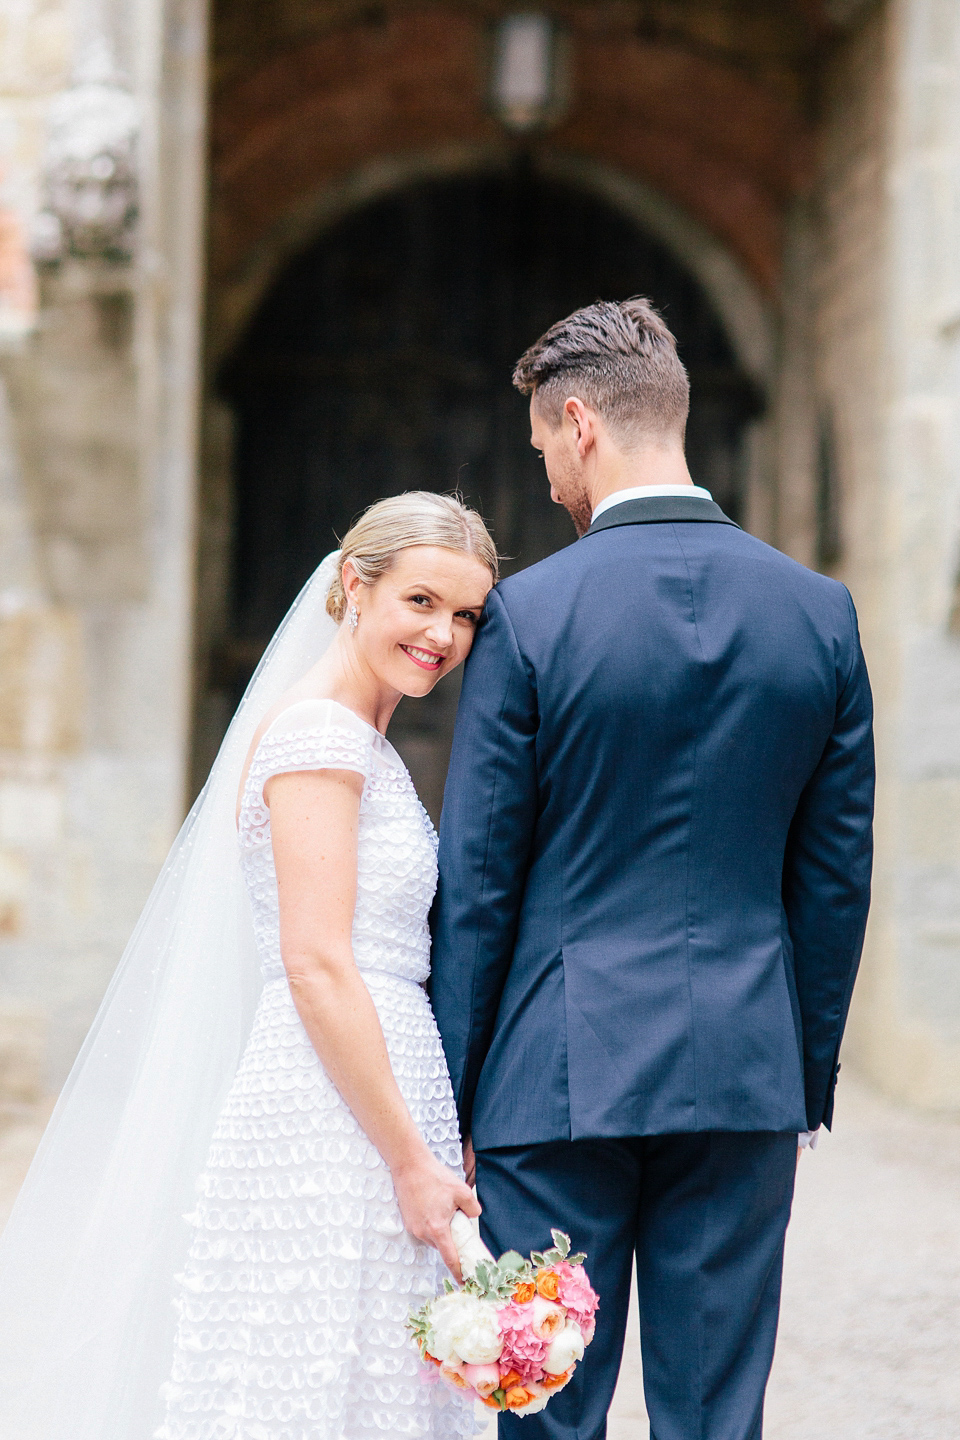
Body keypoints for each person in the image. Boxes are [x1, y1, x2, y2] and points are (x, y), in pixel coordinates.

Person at [430, 298, 875, 1440]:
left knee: (549, 1413)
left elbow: (481, 879)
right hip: (742, 1072)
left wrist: (454, 1092)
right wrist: (802, 1072)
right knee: (717, 1416)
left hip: (552, 1079)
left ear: (579, 424)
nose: (547, 486)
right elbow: (831, 881)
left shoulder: (529, 616)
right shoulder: (820, 616)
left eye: (543, 455)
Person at [0, 492, 496, 1440]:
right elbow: (314, 963)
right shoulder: (321, 736)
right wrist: (410, 1163)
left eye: (466, 614)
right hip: (337, 1112)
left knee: (367, 1375)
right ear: (355, 585)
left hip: (375, 1092)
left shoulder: (357, 737)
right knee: (311, 1376)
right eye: (423, 601)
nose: (445, 634)